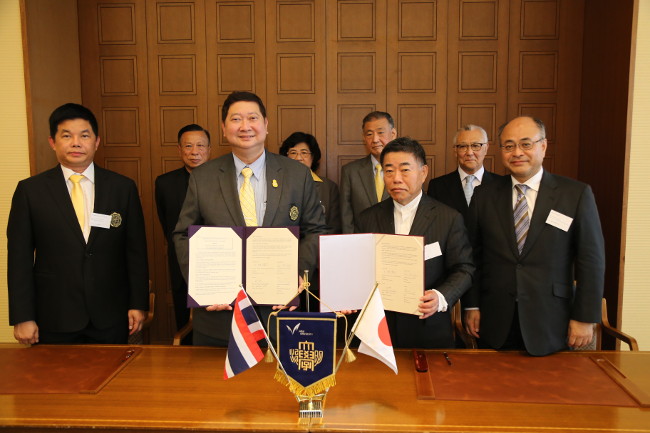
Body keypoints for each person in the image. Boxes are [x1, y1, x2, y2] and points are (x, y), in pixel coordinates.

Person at [172, 91, 328, 346]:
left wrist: (298, 274)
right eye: (236, 119)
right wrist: (203, 284)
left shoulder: (297, 174)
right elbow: (182, 234)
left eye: (252, 118)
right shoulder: (203, 177)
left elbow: (315, 229)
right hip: (220, 318)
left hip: (280, 314)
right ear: (224, 128)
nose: (245, 127)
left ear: (266, 124)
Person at [7, 103, 149, 345]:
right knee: (55, 382)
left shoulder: (122, 188)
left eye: (84, 135)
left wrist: (138, 304)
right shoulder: (31, 191)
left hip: (110, 316)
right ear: (53, 142)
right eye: (66, 136)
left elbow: (135, 252)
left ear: (96, 141)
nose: (76, 143)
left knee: (112, 379)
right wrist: (23, 316)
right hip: (53, 316)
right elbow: (19, 258)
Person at [464, 116, 605, 356]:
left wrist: (584, 317)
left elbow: (591, 260)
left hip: (552, 320)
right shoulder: (484, 195)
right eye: (509, 146)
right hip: (496, 319)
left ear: (543, 146)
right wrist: (472, 305)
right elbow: (473, 257)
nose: (517, 152)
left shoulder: (575, 194)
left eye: (526, 144)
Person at [357, 137, 474, 348]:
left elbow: (464, 269)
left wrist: (441, 296)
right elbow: (357, 268)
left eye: (405, 170)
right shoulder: (367, 218)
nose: (396, 178)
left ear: (423, 172)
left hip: (428, 328)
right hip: (379, 329)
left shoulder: (447, 218)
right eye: (389, 171)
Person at [155, 124, 211, 342]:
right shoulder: (164, 183)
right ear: (179, 150)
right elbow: (166, 221)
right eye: (188, 146)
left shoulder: (223, 180)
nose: (194, 151)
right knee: (182, 306)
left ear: (209, 149)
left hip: (217, 258)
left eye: (200, 146)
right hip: (180, 257)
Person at [340, 111, 397, 233]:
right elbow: (346, 216)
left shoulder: (405, 171)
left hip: (395, 244)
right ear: (364, 138)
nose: (375, 139)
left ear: (393, 134)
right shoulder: (350, 171)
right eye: (369, 134)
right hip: (361, 243)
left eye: (381, 133)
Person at [427, 124, 497, 219]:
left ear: (486, 148)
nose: (469, 152)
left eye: (476, 146)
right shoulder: (437, 186)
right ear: (455, 150)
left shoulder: (500, 185)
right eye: (463, 146)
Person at [279, 131, 341, 233]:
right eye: (293, 152)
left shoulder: (329, 187)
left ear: (313, 157)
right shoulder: (277, 184)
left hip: (318, 245)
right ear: (286, 157)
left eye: (304, 153)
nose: (298, 158)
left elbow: (334, 227)